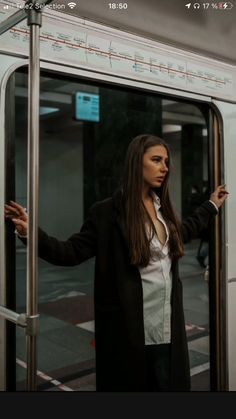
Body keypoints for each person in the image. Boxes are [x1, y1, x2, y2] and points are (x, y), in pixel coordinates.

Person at [4, 134, 229, 392]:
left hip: (168, 328)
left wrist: (211, 205)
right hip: (128, 331)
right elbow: (69, 252)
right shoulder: (107, 213)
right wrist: (30, 232)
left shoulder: (162, 208)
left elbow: (185, 231)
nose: (164, 167)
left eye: (166, 161)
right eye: (156, 160)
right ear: (136, 163)